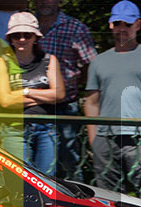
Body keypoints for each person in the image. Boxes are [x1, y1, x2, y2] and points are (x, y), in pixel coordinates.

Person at [83, 1, 141, 203]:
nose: (122, 29)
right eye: (117, 24)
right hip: (106, 138)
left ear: (138, 25)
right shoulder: (99, 61)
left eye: (127, 24)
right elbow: (91, 102)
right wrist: (94, 139)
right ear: (111, 25)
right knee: (106, 197)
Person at [0, 12, 64, 175]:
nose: (22, 39)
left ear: (36, 37)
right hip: (14, 129)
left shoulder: (49, 60)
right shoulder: (1, 62)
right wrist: (45, 97)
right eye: (17, 35)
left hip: (47, 129)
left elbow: (59, 94)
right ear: (10, 38)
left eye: (27, 35)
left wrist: (25, 92)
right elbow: (5, 101)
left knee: (48, 180)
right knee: (20, 180)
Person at [34, 0, 96, 181]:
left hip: (64, 105)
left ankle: (76, 202)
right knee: (31, 162)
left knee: (68, 158)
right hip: (32, 106)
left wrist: (75, 82)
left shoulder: (75, 28)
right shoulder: (26, 25)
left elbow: (91, 65)